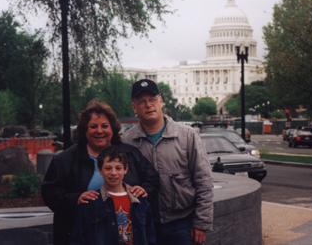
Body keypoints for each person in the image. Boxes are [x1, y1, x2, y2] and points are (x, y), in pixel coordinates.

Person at [41, 100, 159, 245]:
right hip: (80, 235)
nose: (99, 131)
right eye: (93, 126)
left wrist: (144, 190)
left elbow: (153, 178)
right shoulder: (65, 160)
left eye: (105, 126)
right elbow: (49, 192)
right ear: (85, 130)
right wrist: (75, 199)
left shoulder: (130, 154)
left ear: (112, 129)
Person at [122, 79, 214, 245]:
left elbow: (204, 180)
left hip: (182, 223)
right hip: (145, 223)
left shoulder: (187, 135)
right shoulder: (127, 141)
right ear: (134, 107)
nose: (148, 105)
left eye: (152, 99)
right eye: (141, 101)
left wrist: (202, 222)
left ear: (161, 101)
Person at [70, 145, 156, 245]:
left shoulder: (140, 200)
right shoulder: (90, 201)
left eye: (118, 168)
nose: (113, 173)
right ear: (99, 169)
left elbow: (150, 237)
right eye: (108, 168)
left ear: (126, 168)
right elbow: (78, 240)